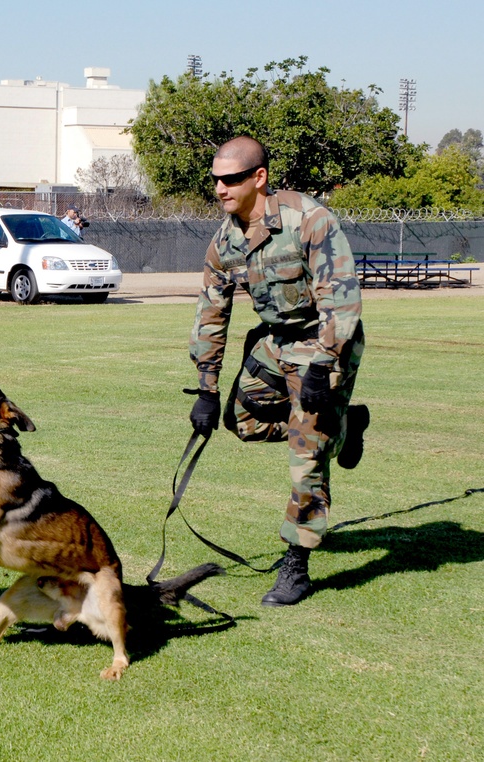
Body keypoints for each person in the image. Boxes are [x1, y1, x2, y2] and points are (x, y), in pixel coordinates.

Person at [187, 136, 369, 607]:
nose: (221, 188)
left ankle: (297, 564)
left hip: (326, 339)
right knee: (243, 422)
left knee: (306, 449)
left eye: (230, 179)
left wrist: (323, 367)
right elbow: (212, 313)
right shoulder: (224, 239)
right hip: (277, 341)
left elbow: (342, 297)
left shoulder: (308, 219)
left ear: (259, 178)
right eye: (215, 180)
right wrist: (207, 390)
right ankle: (344, 428)